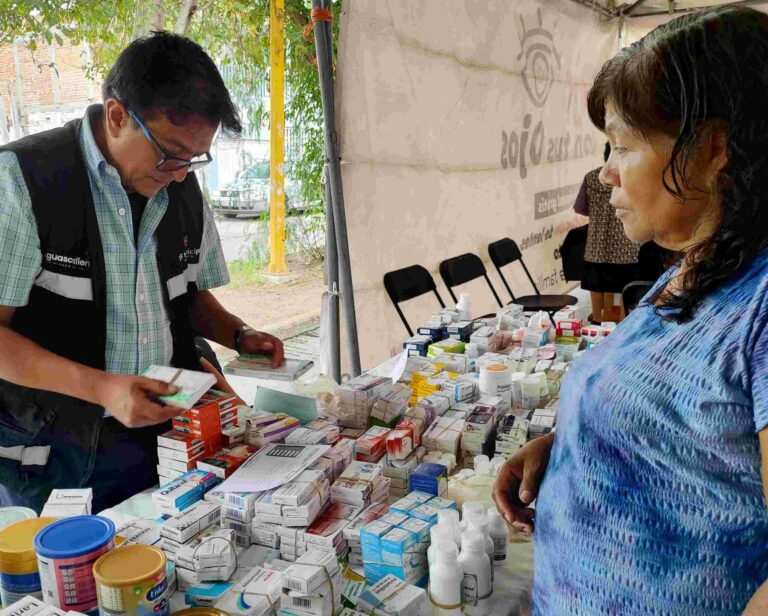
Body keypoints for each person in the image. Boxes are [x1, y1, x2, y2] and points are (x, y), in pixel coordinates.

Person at [493, 7, 768, 615]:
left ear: (713, 147)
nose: (605, 172)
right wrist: (574, 446)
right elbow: (691, 439)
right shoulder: (693, 268)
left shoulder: (762, 307)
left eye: (620, 145)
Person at [0, 32, 284, 513]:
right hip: (57, 445)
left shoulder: (181, 187)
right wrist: (104, 388)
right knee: (74, 575)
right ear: (117, 116)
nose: (179, 173)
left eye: (194, 158)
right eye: (171, 153)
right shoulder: (24, 180)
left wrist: (238, 334)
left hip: (166, 429)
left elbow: (186, 297)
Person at [574, 142, 640, 323]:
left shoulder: (591, 178)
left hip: (598, 246)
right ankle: (622, 321)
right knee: (624, 287)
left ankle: (596, 320)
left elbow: (580, 209)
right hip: (626, 248)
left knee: (597, 286)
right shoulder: (631, 177)